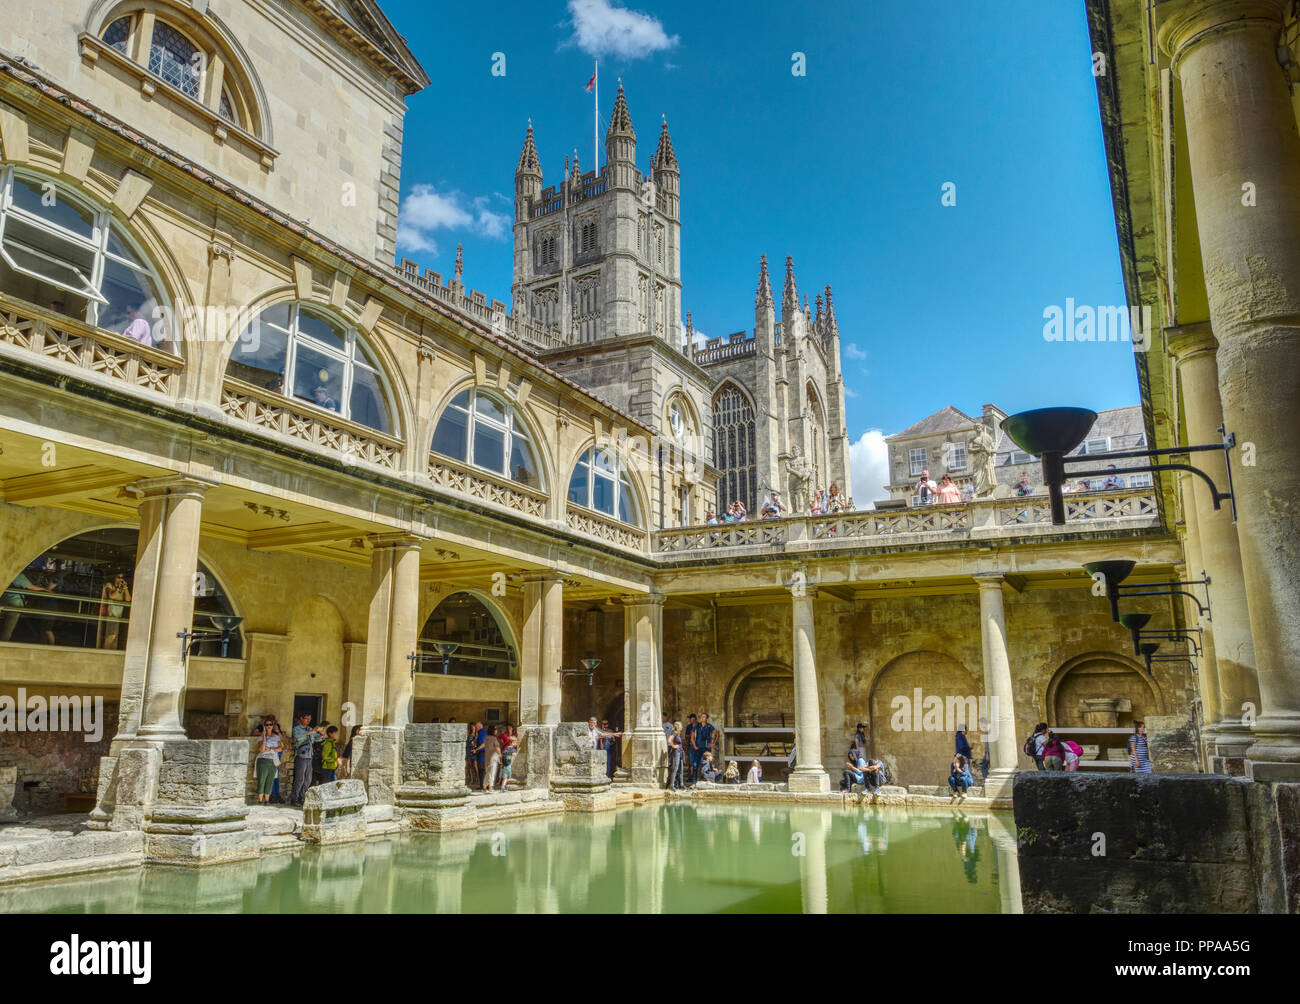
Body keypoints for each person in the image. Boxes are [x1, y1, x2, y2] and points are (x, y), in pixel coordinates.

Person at [290, 713, 325, 806]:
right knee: (299, 779)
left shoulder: (310, 729)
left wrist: (321, 734)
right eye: (306, 719)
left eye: (309, 719)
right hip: (301, 757)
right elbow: (298, 737)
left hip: (309, 756)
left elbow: (316, 739)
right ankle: (294, 798)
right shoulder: (297, 729)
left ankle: (302, 797)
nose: (308, 721)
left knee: (308, 780)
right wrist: (312, 731)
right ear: (301, 718)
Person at [98, 571, 130, 649]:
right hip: (110, 614)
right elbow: (111, 596)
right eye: (118, 577)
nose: (120, 579)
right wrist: (118, 588)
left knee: (114, 636)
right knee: (111, 635)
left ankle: (110, 650)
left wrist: (125, 588)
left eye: (122, 578)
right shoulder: (110, 585)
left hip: (118, 615)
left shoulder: (122, 589)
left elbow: (128, 599)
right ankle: (106, 651)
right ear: (114, 578)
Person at [254, 718, 282, 804]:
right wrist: (264, 738)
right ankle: (260, 800)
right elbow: (261, 750)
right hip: (263, 760)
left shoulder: (277, 737)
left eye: (270, 724)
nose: (269, 726)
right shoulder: (260, 738)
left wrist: (269, 749)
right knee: (262, 780)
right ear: (264, 726)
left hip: (272, 761)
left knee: (270, 781)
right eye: (267, 725)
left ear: (273, 726)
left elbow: (280, 749)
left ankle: (266, 800)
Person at [693, 712, 717, 781]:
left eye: (704, 717)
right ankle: (695, 781)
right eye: (701, 717)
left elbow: (717, 734)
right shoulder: (697, 726)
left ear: (707, 718)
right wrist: (694, 745)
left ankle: (707, 779)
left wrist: (713, 743)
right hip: (698, 748)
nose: (702, 718)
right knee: (696, 764)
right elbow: (692, 736)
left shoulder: (709, 726)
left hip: (706, 748)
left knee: (707, 764)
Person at [666, 721, 685, 790]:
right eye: (681, 726)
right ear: (678, 726)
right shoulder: (674, 733)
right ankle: (672, 785)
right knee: (675, 768)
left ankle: (681, 784)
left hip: (680, 752)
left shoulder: (678, 734)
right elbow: (669, 740)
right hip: (676, 752)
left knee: (681, 768)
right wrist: (674, 746)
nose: (682, 727)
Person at [482, 725, 502, 790]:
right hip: (493, 758)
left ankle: (484, 787)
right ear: (492, 730)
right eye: (495, 729)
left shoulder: (486, 738)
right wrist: (500, 755)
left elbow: (484, 745)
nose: (496, 730)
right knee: (492, 773)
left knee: (487, 773)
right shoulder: (494, 739)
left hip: (487, 757)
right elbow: (497, 748)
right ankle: (490, 787)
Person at [684, 714, 699, 781]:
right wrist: (691, 734)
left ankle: (698, 776)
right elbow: (686, 736)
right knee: (691, 761)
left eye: (691, 718)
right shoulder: (689, 727)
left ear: (694, 718)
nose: (690, 720)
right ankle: (692, 776)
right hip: (691, 745)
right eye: (690, 718)